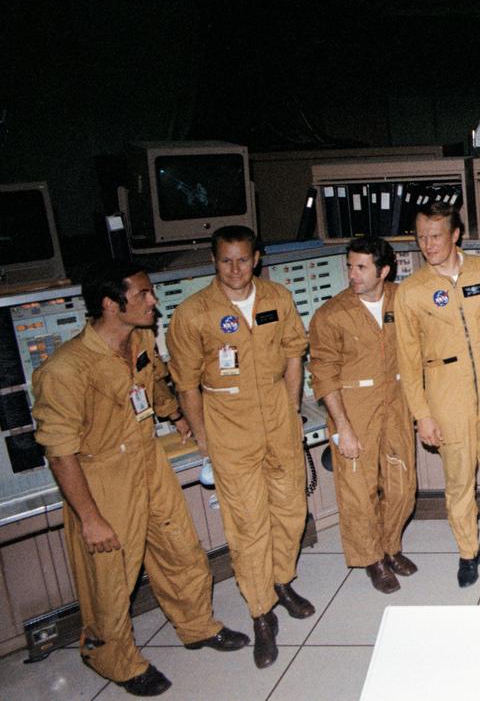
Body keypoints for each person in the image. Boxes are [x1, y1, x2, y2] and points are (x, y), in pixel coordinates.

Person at [32, 262, 248, 696]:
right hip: (100, 475)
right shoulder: (66, 371)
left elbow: (156, 384)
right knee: (111, 578)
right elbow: (60, 455)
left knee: (181, 550)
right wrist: (90, 518)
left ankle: (197, 626)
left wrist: (177, 415)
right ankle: (110, 656)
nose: (154, 302)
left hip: (149, 460)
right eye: (144, 295)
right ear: (112, 305)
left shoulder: (141, 340)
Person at [167, 226, 311, 669]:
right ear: (214, 261)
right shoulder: (193, 313)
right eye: (226, 260)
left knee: (290, 510)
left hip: (277, 417)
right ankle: (260, 612)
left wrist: (289, 408)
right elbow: (187, 385)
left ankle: (282, 581)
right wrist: (205, 438)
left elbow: (293, 354)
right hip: (230, 425)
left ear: (257, 259)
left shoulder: (277, 298)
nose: (235, 269)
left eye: (243, 260)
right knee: (248, 524)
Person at [396, 201, 480, 586]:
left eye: (436, 236)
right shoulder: (411, 291)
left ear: (455, 235)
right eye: (421, 237)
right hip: (445, 389)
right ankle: (468, 551)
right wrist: (423, 415)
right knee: (459, 481)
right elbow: (408, 361)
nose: (428, 244)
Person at [308, 236, 417, 593]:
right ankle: (371, 560)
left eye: (361, 267)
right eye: (350, 266)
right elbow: (323, 375)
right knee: (359, 491)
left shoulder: (403, 299)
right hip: (353, 408)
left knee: (402, 487)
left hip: (397, 402)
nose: (352, 274)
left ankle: (389, 547)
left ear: (384, 271)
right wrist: (343, 427)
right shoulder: (331, 314)